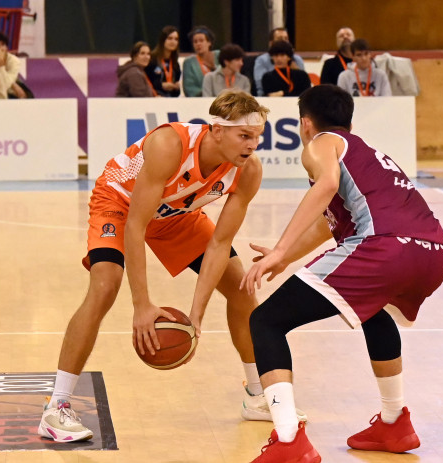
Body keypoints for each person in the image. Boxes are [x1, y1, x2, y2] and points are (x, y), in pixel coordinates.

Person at [38, 90, 306, 443]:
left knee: (241, 288)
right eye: (245, 136)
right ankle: (56, 407)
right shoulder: (169, 144)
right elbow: (136, 224)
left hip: (176, 215)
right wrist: (142, 306)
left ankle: (257, 395)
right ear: (217, 131)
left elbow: (219, 244)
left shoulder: (248, 171)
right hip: (119, 202)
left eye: (258, 137)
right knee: (105, 285)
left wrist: (196, 315)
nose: (252, 145)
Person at [242, 85, 443, 462]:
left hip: (385, 247)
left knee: (265, 321)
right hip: (434, 251)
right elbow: (331, 222)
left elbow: (326, 186)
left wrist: (281, 249)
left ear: (304, 123)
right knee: (375, 311)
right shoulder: (369, 152)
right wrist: (283, 256)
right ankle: (394, 423)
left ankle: (288, 440)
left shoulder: (321, 142)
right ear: (349, 119)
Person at [253, 27, 306, 97]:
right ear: (271, 43)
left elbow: (304, 86)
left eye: (286, 38)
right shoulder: (262, 60)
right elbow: (260, 86)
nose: (284, 41)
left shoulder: (297, 59)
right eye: (280, 38)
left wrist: (295, 71)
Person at [0, 31, 28, 99]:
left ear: (6, 47)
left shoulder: (14, 61)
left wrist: (0, 66)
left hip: (9, 92)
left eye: (3, 44)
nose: (0, 48)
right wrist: (14, 85)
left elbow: (5, 85)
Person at [145, 25, 182, 97]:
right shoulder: (152, 60)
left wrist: (176, 87)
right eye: (170, 38)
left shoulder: (175, 64)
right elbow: (146, 82)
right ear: (162, 40)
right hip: (154, 99)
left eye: (176, 39)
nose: (173, 42)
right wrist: (161, 85)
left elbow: (176, 93)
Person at [182, 26, 219, 97]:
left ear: (209, 42)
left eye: (201, 40)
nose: (198, 44)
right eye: (195, 42)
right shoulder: (189, 62)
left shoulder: (219, 56)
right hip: (200, 99)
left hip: (221, 98)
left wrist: (214, 67)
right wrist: (207, 93)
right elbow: (189, 87)